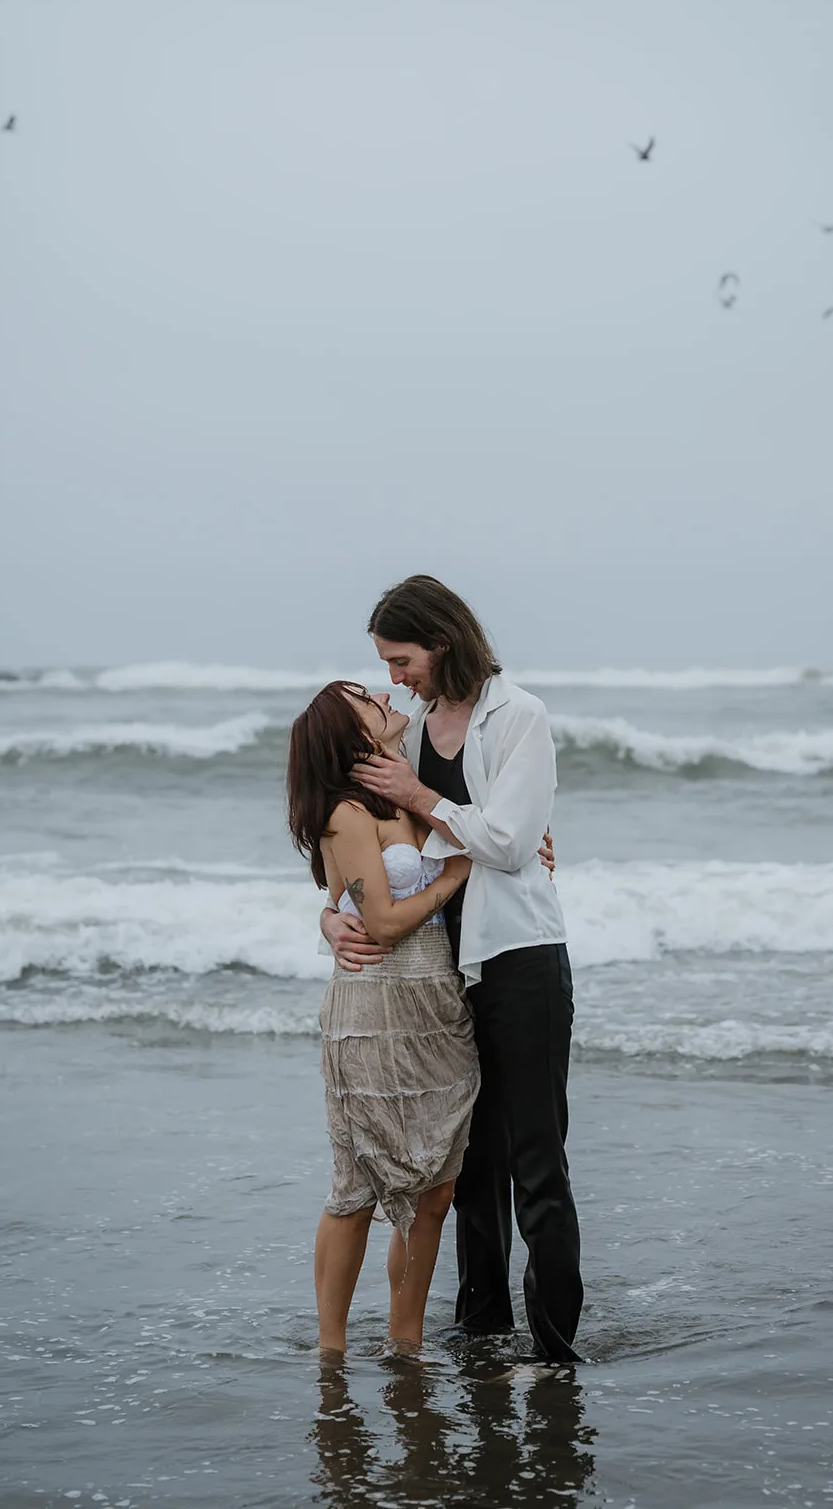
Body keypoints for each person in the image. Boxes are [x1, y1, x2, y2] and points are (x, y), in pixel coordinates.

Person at [321, 574, 583, 1363]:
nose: (395, 679)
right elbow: (366, 853)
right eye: (388, 667)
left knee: (533, 1162)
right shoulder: (412, 734)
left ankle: (555, 1350)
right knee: (464, 1167)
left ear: (442, 640)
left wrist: (424, 799)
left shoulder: (519, 716)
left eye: (403, 661)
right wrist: (331, 916)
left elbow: (506, 843)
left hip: (518, 960)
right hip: (439, 972)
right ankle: (481, 1333)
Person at [287, 680, 480, 1356]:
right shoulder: (345, 811)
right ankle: (331, 1352)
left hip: (437, 1010)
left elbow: (489, 833)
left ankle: (407, 1343)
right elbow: (382, 922)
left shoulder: (409, 793)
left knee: (436, 1186)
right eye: (365, 697)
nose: (383, 694)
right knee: (359, 1182)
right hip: (373, 1007)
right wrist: (455, 873)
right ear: (353, 733)